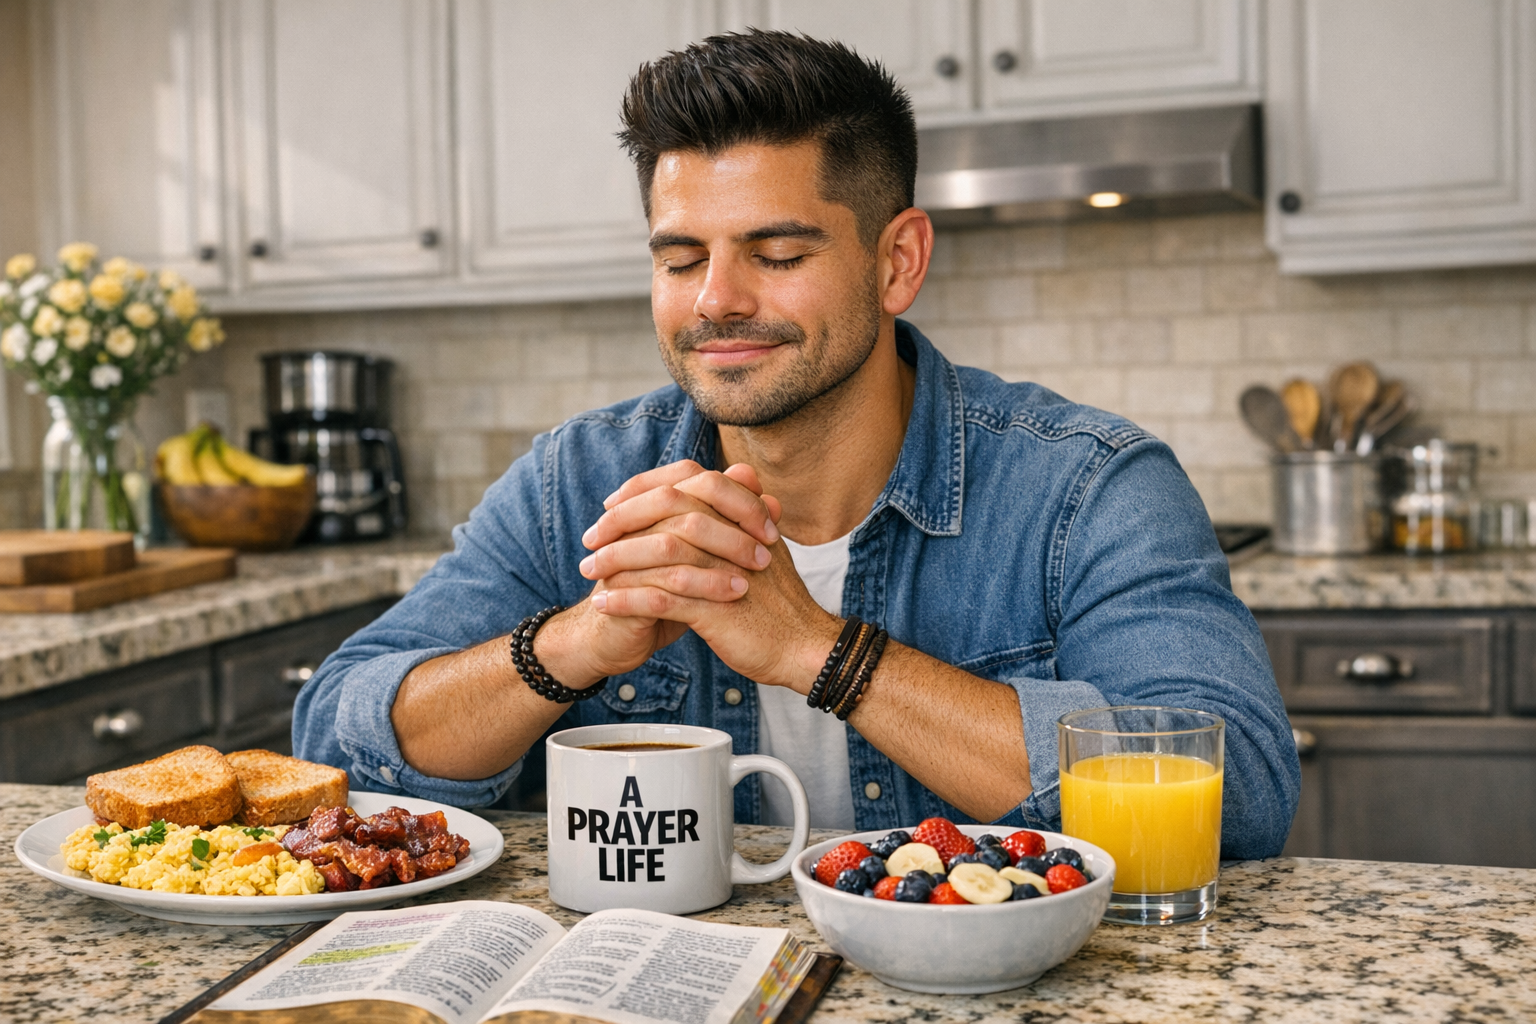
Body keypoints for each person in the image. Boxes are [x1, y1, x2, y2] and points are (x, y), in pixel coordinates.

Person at [294, 30, 1299, 858]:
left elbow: (1239, 791)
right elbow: (336, 739)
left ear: (898, 260)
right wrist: (575, 644)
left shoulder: (1087, 485)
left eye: (776, 254)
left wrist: (820, 650)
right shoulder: (579, 482)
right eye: (680, 258)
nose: (717, 299)